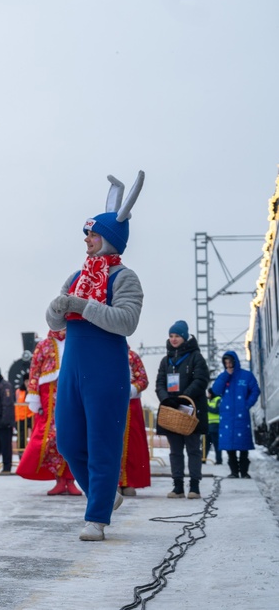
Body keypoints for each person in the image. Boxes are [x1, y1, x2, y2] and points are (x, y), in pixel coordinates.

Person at [45, 172, 144, 541]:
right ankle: (104, 496)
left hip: (106, 368)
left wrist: (81, 306)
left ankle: (97, 518)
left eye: (92, 233)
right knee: (69, 441)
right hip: (73, 366)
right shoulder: (76, 276)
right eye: (86, 234)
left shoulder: (125, 278)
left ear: (109, 238)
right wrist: (57, 309)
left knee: (103, 443)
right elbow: (57, 323)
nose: (86, 240)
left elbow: (126, 322)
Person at [16, 330, 80, 495]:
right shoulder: (44, 345)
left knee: (73, 435)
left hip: (72, 390)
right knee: (50, 436)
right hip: (48, 394)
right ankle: (59, 478)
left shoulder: (76, 340)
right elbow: (34, 370)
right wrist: (34, 396)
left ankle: (70, 478)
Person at [155, 320, 209, 498]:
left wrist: (183, 397)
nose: (174, 339)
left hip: (191, 411)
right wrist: (166, 399)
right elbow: (160, 383)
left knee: (193, 449)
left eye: (177, 336)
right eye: (171, 336)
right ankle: (178, 486)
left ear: (185, 338)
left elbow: (201, 380)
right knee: (175, 450)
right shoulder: (166, 361)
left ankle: (194, 486)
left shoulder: (196, 357)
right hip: (172, 412)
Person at [212, 351, 261, 479]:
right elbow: (216, 390)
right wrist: (225, 376)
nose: (228, 365)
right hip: (227, 416)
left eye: (230, 362)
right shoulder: (223, 376)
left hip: (241, 415)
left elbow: (255, 390)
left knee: (243, 445)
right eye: (226, 362)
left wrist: (247, 404)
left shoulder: (246, 376)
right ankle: (234, 472)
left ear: (235, 361)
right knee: (230, 446)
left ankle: (244, 472)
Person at [120, 348, 151, 496]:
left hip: (131, 406)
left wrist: (130, 389)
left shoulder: (132, 356)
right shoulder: (102, 354)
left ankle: (129, 481)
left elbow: (143, 379)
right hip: (108, 405)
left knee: (132, 443)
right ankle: (114, 482)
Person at [206, 389, 223, 465]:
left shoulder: (218, 399)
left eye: (209, 393)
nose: (208, 395)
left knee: (216, 443)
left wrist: (208, 407)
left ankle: (219, 460)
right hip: (208, 425)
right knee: (206, 443)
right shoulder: (208, 401)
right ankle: (203, 458)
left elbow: (217, 410)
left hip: (216, 424)